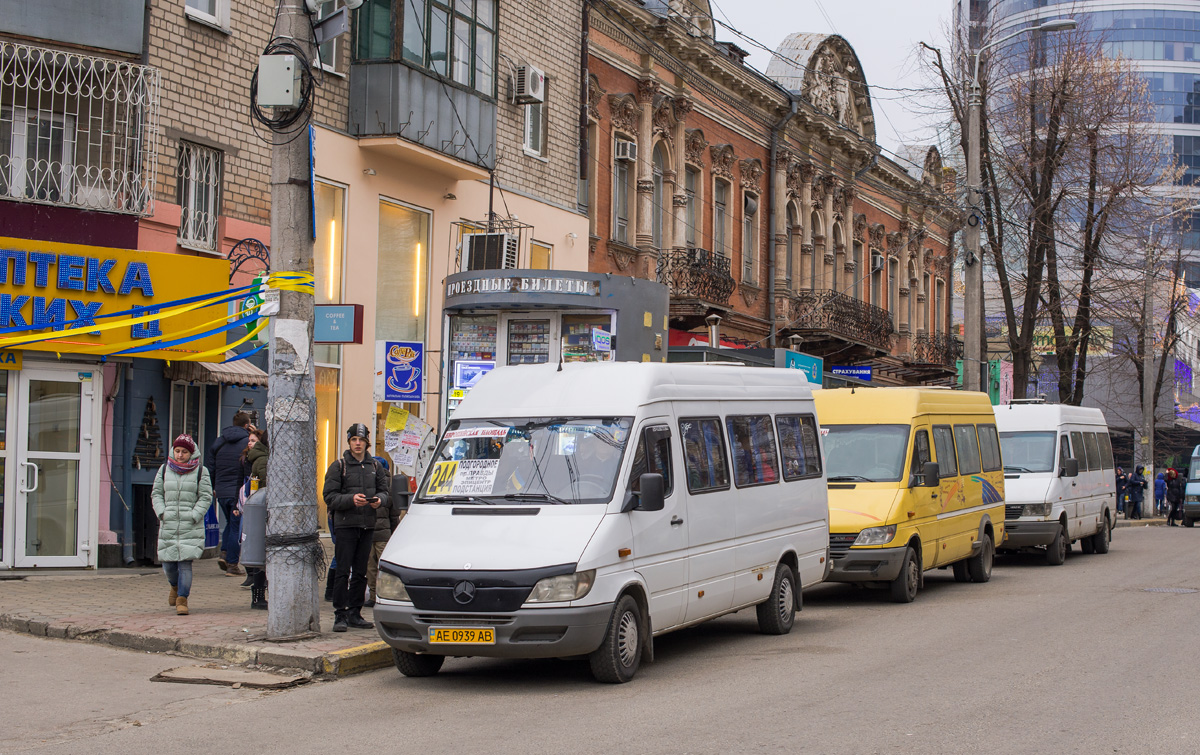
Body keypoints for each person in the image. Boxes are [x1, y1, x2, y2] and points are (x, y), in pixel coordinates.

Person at [322, 423, 391, 632]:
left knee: (361, 572)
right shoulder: (339, 466)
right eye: (354, 440)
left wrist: (379, 500)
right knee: (343, 571)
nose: (358, 444)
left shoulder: (375, 467)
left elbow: (385, 493)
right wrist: (351, 499)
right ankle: (339, 614)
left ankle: (355, 612)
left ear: (367, 442)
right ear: (349, 442)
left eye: (361, 440)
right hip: (345, 525)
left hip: (367, 525)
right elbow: (330, 497)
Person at [153, 434, 213, 616]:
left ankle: (182, 599)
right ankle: (174, 586)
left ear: (191, 453)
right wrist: (162, 512)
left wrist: (195, 515)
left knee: (185, 564)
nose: (180, 455)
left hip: (190, 525)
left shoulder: (201, 471)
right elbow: (156, 493)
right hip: (169, 524)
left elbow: (206, 496)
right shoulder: (164, 470)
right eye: (177, 451)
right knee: (168, 565)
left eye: (184, 452)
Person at [206, 411, 252, 577]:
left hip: (220, 490)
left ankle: (224, 553)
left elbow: (210, 467)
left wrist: (213, 486)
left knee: (230, 523)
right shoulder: (247, 441)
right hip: (237, 491)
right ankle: (232, 564)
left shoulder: (219, 441)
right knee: (236, 527)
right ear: (247, 425)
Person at [365, 456, 403, 608]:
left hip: (370, 532)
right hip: (383, 534)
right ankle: (383, 596)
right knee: (382, 568)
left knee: (371, 568)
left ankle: (374, 596)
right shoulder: (389, 486)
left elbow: (393, 513)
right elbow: (394, 515)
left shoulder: (371, 484)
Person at [240, 428, 270, 609]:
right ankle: (259, 594)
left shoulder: (259, 458)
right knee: (264, 555)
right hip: (266, 512)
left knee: (263, 554)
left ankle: (259, 594)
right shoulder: (265, 460)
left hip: (263, 511)